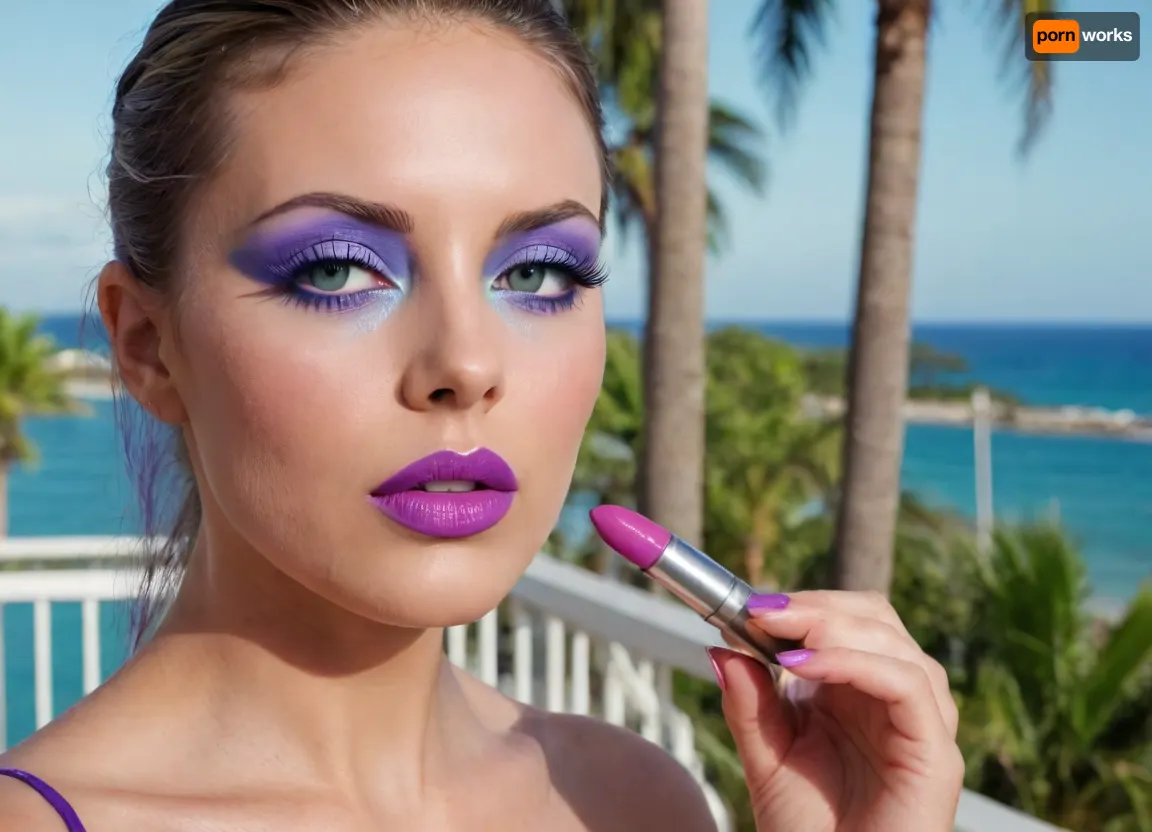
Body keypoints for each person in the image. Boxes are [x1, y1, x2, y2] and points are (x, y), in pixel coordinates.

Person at [0, 1, 964, 829]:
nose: (465, 363)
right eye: (336, 270)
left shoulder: (632, 802)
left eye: (538, 273)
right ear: (146, 347)